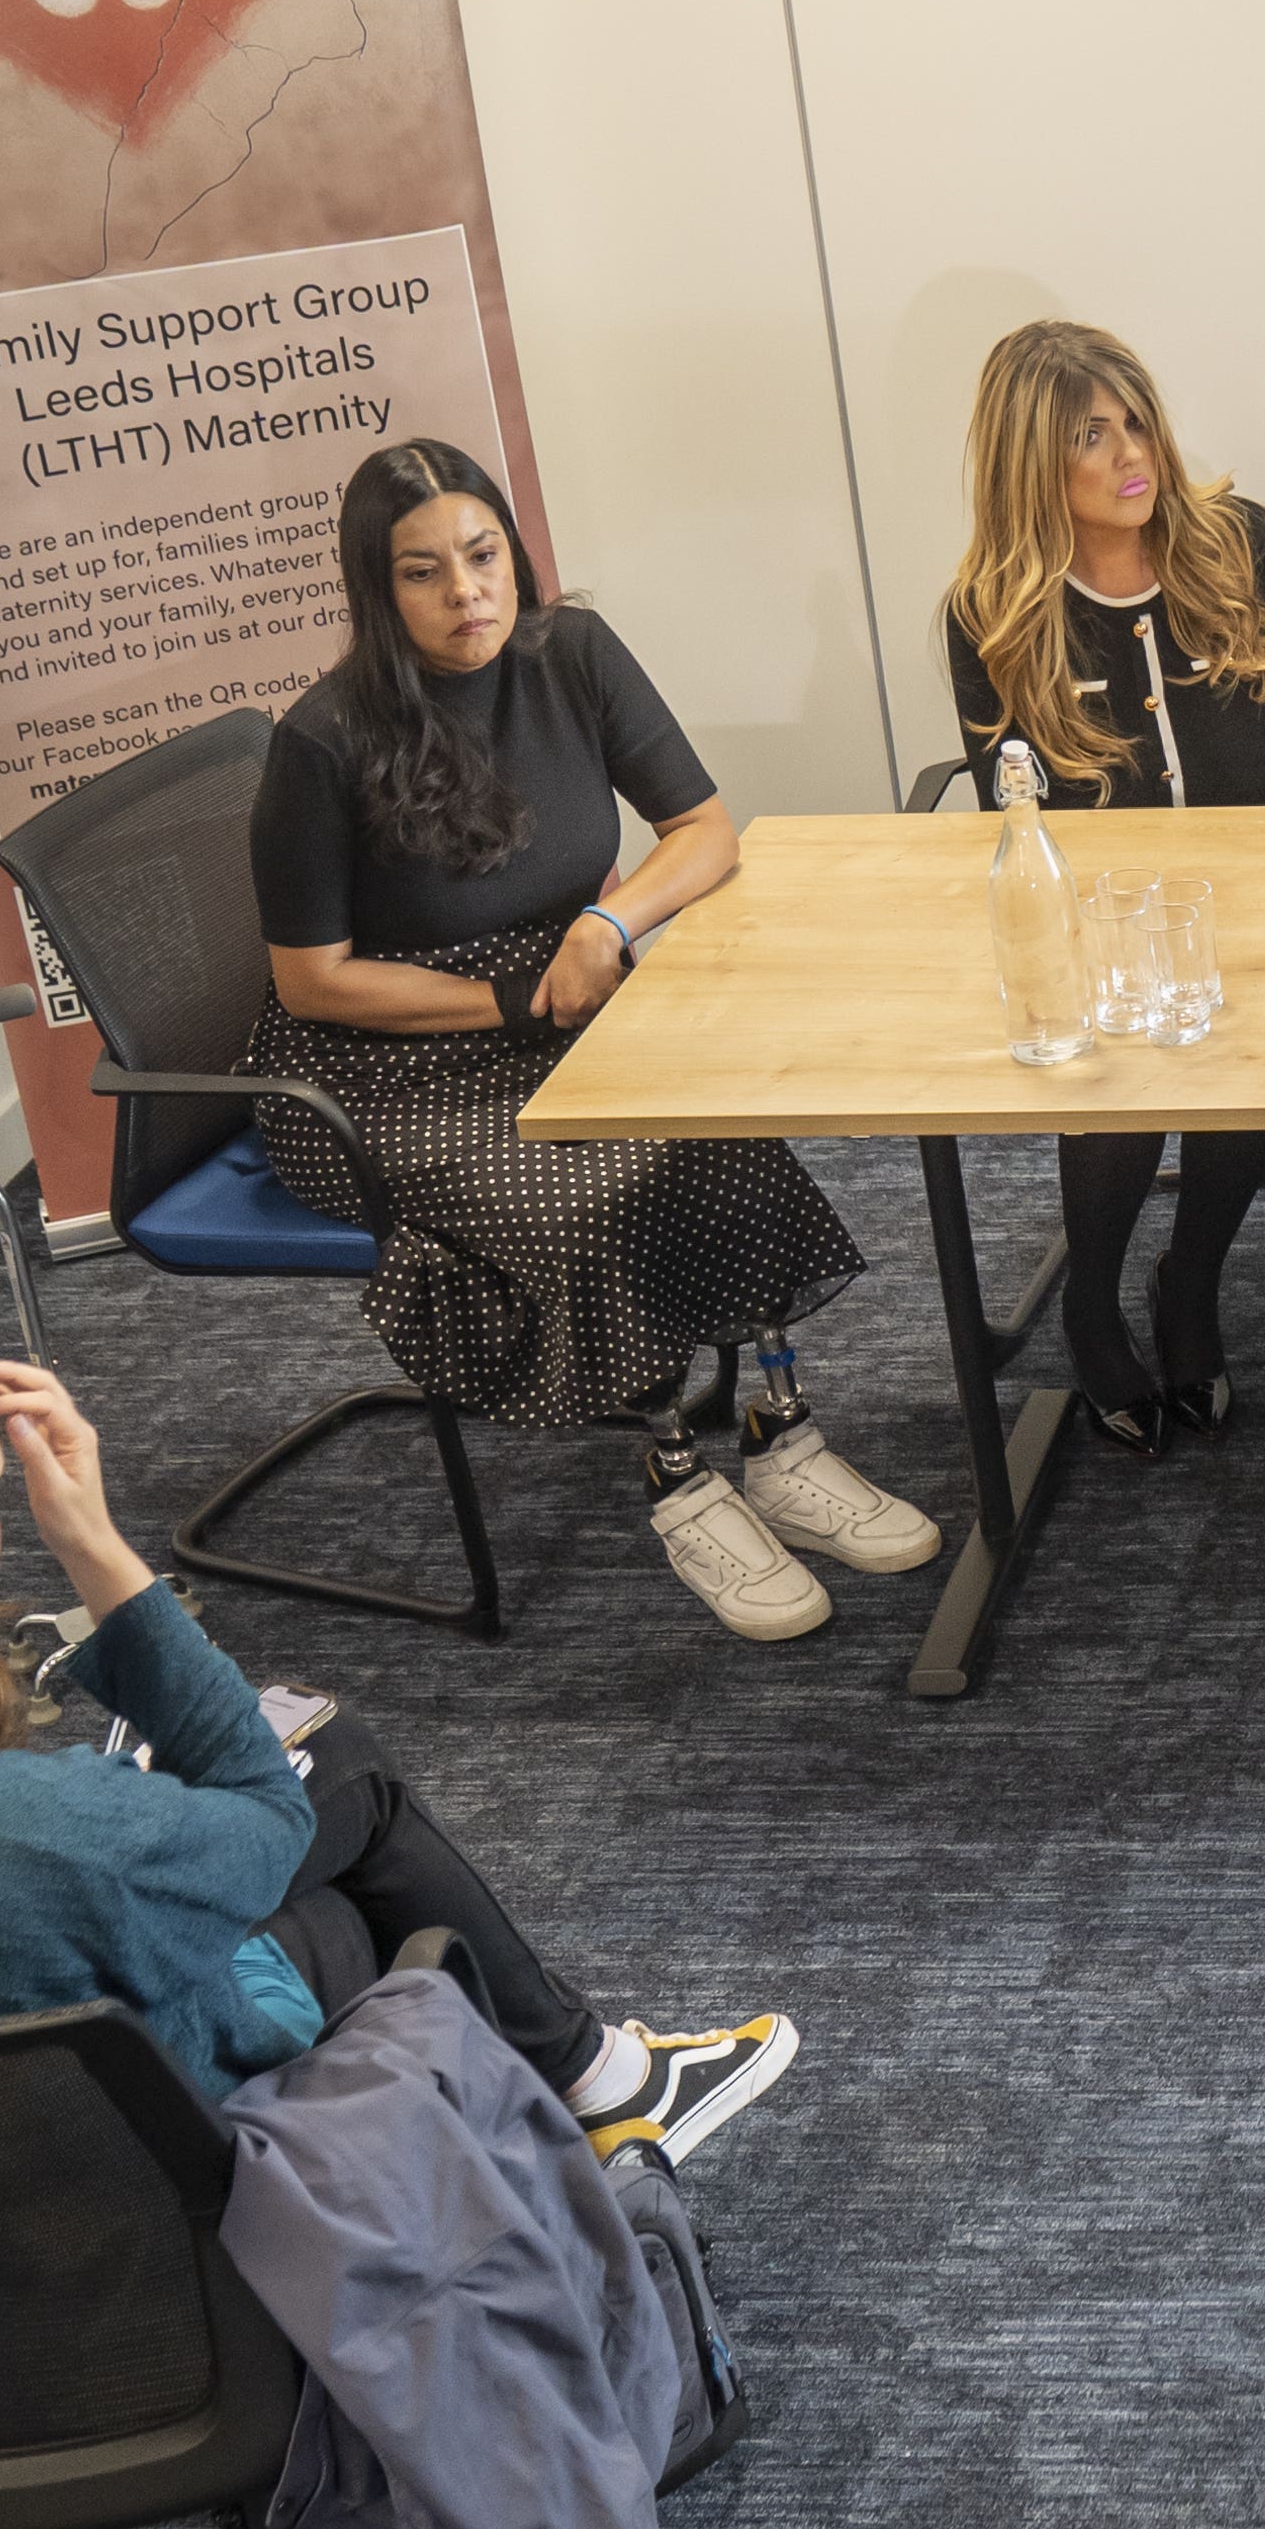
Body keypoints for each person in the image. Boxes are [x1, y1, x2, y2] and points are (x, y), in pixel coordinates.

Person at [0, 1320, 790, 2164]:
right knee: (331, 1809)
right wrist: (94, 1543)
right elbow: (265, 1814)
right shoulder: (46, 1840)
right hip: (121, 2252)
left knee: (296, 1785)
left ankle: (597, 2073)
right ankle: (597, 2083)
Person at [248, 438, 934, 1643]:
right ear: (377, 587)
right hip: (383, 1066)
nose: (467, 591)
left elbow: (705, 828)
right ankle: (677, 1477)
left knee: (723, 1135)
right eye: (422, 571)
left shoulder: (572, 653)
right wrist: (512, 1001)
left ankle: (781, 1438)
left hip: (568, 988)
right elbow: (312, 982)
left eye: (483, 555)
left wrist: (608, 922)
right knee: (589, 1187)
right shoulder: (323, 740)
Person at [944, 320, 1265, 1452]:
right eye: (1092, 436)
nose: (1132, 453)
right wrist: (1128, 922)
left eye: (1136, 420)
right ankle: (1090, 1300)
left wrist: (1245, 887)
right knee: (1118, 1051)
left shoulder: (1246, 545)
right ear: (1031, 463)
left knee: (1256, 1030)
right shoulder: (992, 614)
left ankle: (1192, 1279)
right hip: (1104, 926)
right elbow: (1019, 813)